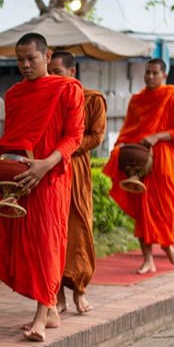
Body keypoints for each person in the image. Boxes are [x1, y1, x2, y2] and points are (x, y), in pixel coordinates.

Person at [0, 34, 84, 342]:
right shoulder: (14, 94)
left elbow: (74, 136)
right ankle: (51, 310)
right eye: (19, 59)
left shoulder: (68, 89)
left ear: (47, 56)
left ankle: (40, 318)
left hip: (52, 176)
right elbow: (12, 138)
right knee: (26, 245)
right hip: (20, 177)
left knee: (47, 242)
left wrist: (46, 164)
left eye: (31, 58)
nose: (24, 65)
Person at [102, 59, 174, 274]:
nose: (150, 77)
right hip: (141, 161)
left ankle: (167, 245)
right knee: (144, 210)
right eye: (147, 73)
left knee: (167, 207)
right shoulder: (138, 100)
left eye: (155, 73)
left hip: (166, 160)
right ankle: (147, 259)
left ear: (164, 75)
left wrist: (156, 136)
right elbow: (129, 130)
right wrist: (121, 147)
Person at [48, 51, 106, 314]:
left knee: (79, 229)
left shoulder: (92, 99)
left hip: (76, 168)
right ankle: (57, 295)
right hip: (51, 168)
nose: (52, 77)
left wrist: (66, 148)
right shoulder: (47, 97)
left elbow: (96, 136)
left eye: (57, 72)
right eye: (50, 72)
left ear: (73, 73)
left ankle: (79, 292)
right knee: (55, 231)